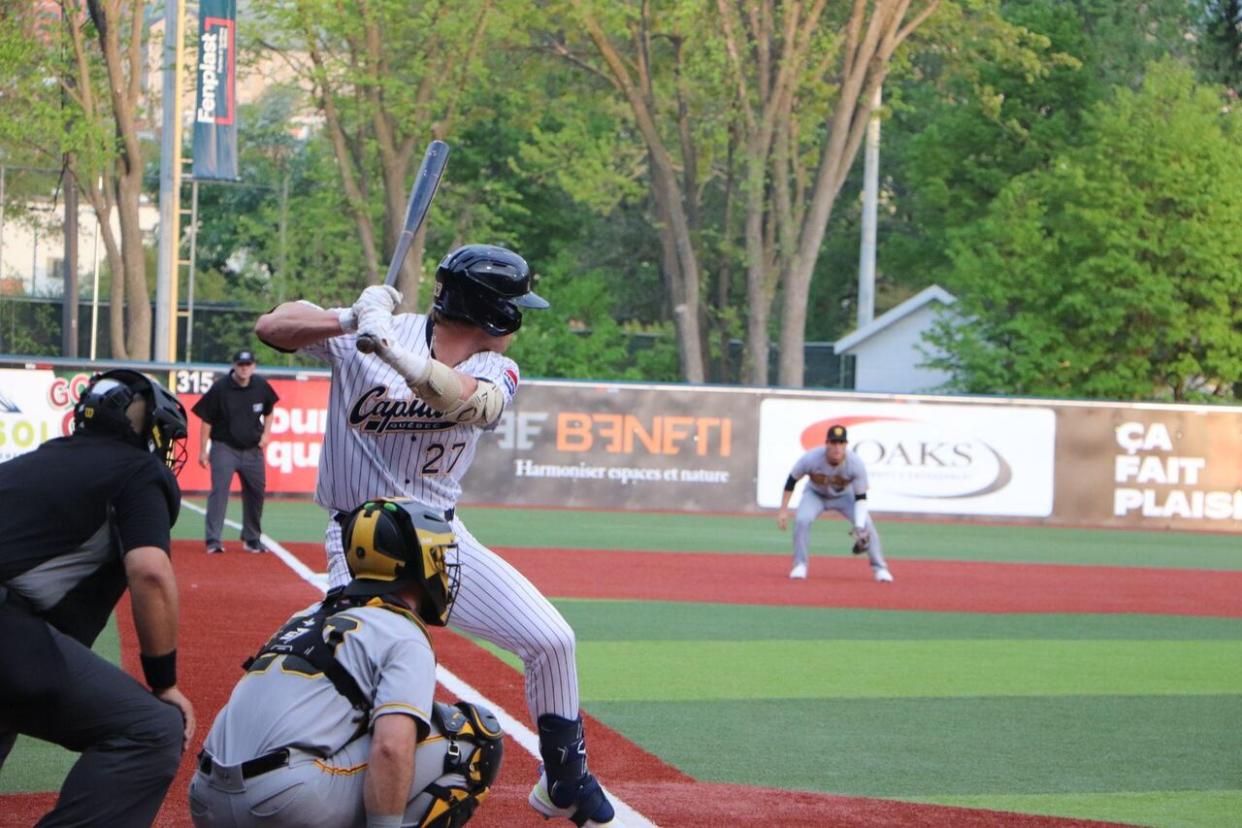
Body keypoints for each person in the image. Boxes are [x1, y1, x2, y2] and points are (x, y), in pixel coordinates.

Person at [255, 244, 619, 827]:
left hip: (443, 539)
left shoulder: (493, 366)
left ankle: (565, 782)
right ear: (492, 313)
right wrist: (348, 319)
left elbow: (467, 402)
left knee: (552, 640)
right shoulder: (369, 331)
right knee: (366, 687)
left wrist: (395, 355)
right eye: (513, 307)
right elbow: (272, 326)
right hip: (363, 545)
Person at [189, 497, 503, 828]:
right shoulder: (402, 631)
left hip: (206, 799)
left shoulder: (306, 615)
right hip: (284, 801)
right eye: (437, 554)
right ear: (415, 562)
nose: (442, 566)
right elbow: (391, 748)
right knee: (472, 736)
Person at [0, 369, 196, 826]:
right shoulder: (139, 470)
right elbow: (150, 571)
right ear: (145, 427)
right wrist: (163, 681)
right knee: (152, 730)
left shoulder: (28, 463)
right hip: (8, 633)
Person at [776, 423, 894, 583]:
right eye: (833, 443)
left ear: (846, 445)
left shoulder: (855, 464)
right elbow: (791, 481)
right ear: (827, 444)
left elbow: (860, 497)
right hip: (815, 494)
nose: (837, 447)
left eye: (841, 443)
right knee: (802, 520)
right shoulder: (811, 458)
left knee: (867, 526)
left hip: (845, 496)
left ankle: (880, 568)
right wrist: (783, 509)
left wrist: (859, 526)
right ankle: (800, 565)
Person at [193, 349, 279, 555]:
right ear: (234, 366)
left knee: (256, 492)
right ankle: (213, 540)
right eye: (241, 365)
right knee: (219, 493)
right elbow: (206, 420)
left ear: (254, 366)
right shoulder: (221, 388)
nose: (244, 368)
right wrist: (203, 451)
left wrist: (266, 434)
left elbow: (269, 410)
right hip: (224, 447)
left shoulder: (260, 385)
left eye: (248, 365)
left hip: (253, 449)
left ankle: (252, 538)